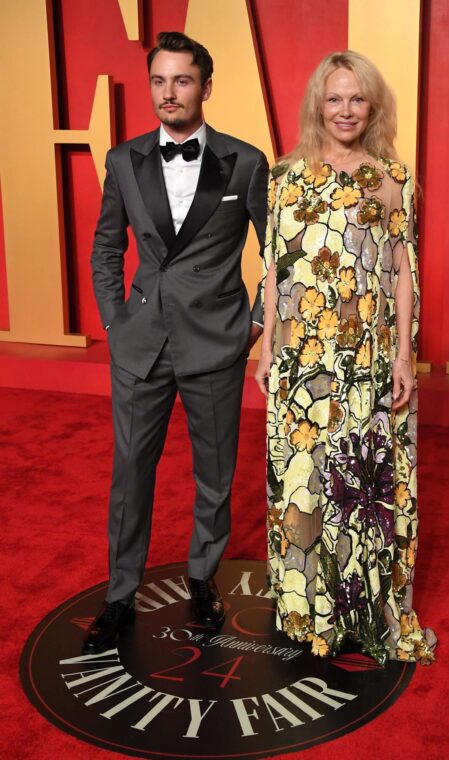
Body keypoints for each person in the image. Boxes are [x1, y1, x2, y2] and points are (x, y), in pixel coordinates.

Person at [83, 31, 267, 654]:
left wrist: (257, 325)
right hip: (139, 347)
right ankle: (119, 593)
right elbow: (106, 247)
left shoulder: (246, 162)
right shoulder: (122, 160)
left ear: (205, 87)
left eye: (181, 81)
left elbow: (283, 257)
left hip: (216, 343)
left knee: (215, 477)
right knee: (130, 472)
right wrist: (114, 321)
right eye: (159, 81)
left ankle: (202, 578)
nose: (168, 93)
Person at [255, 51, 436, 664]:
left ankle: (362, 605)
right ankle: (308, 608)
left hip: (365, 357)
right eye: (334, 98)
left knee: (357, 482)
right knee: (303, 482)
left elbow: (403, 271)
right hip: (301, 358)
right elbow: (274, 268)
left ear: (372, 106)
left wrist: (405, 355)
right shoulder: (283, 177)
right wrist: (266, 344)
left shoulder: (391, 176)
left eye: (356, 98)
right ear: (317, 104)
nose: (345, 110)